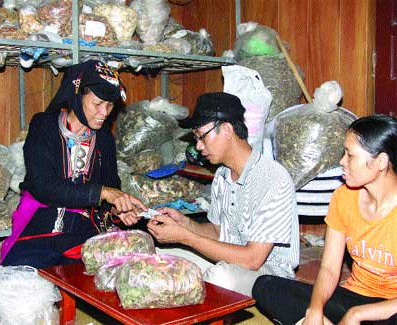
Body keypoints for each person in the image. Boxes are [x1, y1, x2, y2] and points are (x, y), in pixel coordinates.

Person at [147, 92, 300, 296]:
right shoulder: (222, 175)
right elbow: (219, 233)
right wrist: (185, 224)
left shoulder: (273, 178)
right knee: (158, 256)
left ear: (227, 129)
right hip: (228, 261)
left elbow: (252, 259)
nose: (199, 146)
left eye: (202, 136)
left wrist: (186, 238)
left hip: (271, 278)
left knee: (220, 277)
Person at [1, 60, 146, 269]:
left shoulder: (104, 138)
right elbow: (43, 185)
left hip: (84, 229)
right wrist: (103, 193)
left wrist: (118, 210)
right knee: (24, 277)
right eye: (97, 104)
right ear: (77, 96)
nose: (105, 113)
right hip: (40, 226)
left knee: (105, 272)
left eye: (110, 105)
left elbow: (111, 188)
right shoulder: (44, 126)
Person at [252, 114, 397, 325]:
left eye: (350, 155)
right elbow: (329, 268)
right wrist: (315, 308)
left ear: (381, 162)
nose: (342, 162)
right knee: (266, 287)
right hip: (354, 297)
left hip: (389, 308)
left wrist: (357, 314)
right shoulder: (343, 197)